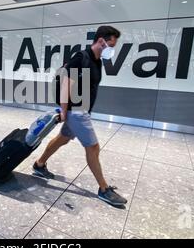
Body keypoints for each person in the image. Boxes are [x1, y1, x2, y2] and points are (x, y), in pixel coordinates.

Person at [33, 26, 128, 207]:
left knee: (63, 138)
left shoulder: (97, 61)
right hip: (76, 110)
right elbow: (66, 85)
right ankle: (103, 189)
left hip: (81, 109)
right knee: (93, 147)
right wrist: (63, 110)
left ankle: (39, 164)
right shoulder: (81, 57)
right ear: (101, 40)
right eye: (111, 45)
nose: (112, 49)